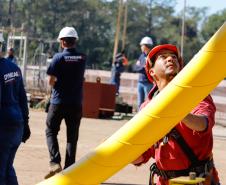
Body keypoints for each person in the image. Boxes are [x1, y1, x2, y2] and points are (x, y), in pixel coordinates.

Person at [132, 44, 220, 185]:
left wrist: (173, 109)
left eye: (174, 57)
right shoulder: (147, 108)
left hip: (199, 181)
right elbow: (142, 155)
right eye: (163, 57)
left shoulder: (195, 94)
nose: (170, 59)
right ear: (152, 71)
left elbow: (203, 124)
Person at [44, 26, 86, 179]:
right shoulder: (82, 57)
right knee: (72, 137)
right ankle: (70, 169)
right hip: (76, 103)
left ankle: (55, 162)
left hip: (58, 102)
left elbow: (51, 80)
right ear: (75, 41)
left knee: (50, 131)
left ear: (62, 42)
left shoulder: (57, 58)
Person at [0, 33, 30, 185]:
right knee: (7, 168)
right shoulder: (14, 68)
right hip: (16, 125)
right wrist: (26, 124)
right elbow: (22, 99)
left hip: (3, 126)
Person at [134, 36, 154, 109]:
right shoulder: (141, 56)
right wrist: (142, 67)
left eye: (142, 45)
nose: (141, 47)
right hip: (140, 82)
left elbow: (149, 69)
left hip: (148, 83)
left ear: (146, 46)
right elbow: (135, 68)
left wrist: (141, 67)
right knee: (140, 103)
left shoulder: (152, 56)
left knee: (148, 102)